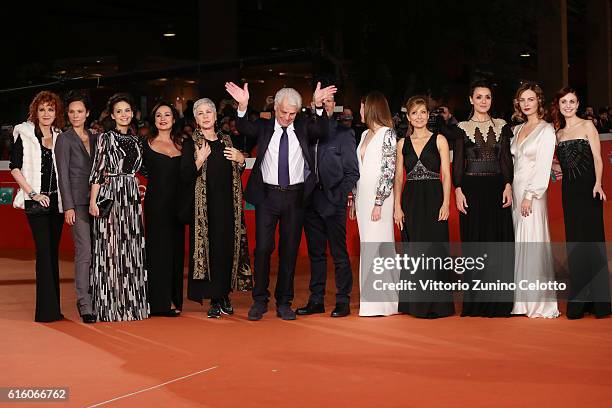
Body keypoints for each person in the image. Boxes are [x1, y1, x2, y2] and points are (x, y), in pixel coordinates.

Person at [225, 81, 335, 320]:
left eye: (292, 114)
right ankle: (260, 300)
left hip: (295, 197)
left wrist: (317, 105)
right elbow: (243, 127)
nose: (287, 118)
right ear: (275, 108)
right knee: (263, 249)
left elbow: (323, 130)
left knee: (289, 250)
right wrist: (242, 106)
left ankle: (284, 301)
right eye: (283, 112)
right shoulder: (264, 128)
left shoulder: (304, 126)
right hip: (267, 196)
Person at [180, 98, 252, 318]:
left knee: (226, 250)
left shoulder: (227, 140)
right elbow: (184, 176)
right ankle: (214, 298)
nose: (205, 116)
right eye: (200, 113)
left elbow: (235, 173)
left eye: (209, 111)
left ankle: (224, 295)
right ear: (196, 119)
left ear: (215, 115)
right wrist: (199, 160)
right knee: (210, 251)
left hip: (228, 205)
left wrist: (241, 160)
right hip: (204, 208)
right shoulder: (191, 143)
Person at [453, 80, 515, 317]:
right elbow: (458, 162)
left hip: (497, 188)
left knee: (498, 244)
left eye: (487, 97)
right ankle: (477, 303)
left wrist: (508, 184)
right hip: (472, 189)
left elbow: (505, 159)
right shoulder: (461, 128)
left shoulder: (502, 126)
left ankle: (499, 302)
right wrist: (458, 190)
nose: (483, 101)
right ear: (471, 100)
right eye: (479, 97)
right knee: (476, 245)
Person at [297, 92, 359, 318]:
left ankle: (343, 300)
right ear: (313, 104)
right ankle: (316, 300)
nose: (326, 105)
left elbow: (352, 172)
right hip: (309, 201)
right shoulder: (306, 131)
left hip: (333, 201)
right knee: (316, 254)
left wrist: (339, 197)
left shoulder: (344, 133)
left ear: (336, 105)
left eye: (329, 101)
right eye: (321, 101)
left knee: (339, 253)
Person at [551, 87, 611, 319]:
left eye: (572, 101)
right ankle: (580, 301)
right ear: (559, 105)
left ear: (578, 104)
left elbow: (598, 158)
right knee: (575, 245)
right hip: (569, 194)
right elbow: (562, 166)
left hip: (589, 191)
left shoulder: (587, 126)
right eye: (564, 101)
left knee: (593, 242)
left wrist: (598, 184)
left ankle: (600, 303)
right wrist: (548, 167)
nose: (568, 105)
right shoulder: (558, 134)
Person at [393, 96, 454, 318]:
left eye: (423, 112)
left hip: (434, 198)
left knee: (435, 249)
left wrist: (446, 202)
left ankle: (438, 305)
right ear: (408, 117)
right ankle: (415, 304)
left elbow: (446, 175)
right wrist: (397, 207)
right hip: (411, 201)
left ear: (428, 115)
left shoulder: (440, 140)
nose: (419, 117)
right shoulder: (402, 143)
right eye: (414, 113)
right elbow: (399, 177)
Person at [89, 93, 149, 322]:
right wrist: (94, 201)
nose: (124, 115)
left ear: (132, 114)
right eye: (119, 111)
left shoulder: (136, 140)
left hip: (131, 197)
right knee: (111, 249)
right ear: (112, 115)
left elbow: (140, 169)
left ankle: (131, 305)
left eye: (127, 111)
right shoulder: (105, 138)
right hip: (111, 193)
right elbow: (97, 170)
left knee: (131, 248)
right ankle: (110, 306)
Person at [10, 91, 65, 322]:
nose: (46, 114)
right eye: (42, 109)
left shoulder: (60, 136)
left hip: (57, 203)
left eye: (50, 109)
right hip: (36, 203)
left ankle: (55, 308)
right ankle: (45, 312)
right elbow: (15, 167)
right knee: (43, 254)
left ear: (56, 113)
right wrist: (33, 193)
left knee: (53, 254)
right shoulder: (24, 134)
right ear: (35, 111)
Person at [510, 82, 559, 318]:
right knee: (521, 242)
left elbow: (542, 167)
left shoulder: (546, 129)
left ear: (539, 101)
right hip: (517, 192)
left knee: (533, 240)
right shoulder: (517, 130)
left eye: (531, 99)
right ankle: (522, 301)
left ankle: (538, 302)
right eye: (522, 100)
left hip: (533, 195)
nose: (527, 104)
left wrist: (530, 195)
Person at [350, 91, 398, 317]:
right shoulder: (364, 135)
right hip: (363, 198)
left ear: (371, 108)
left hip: (380, 200)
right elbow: (358, 170)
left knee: (379, 245)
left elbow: (388, 172)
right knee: (368, 246)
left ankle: (384, 302)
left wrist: (379, 202)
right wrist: (354, 198)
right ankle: (370, 301)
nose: (360, 112)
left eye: (361, 107)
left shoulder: (388, 134)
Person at [54, 91, 97, 324]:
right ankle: (84, 302)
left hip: (98, 203)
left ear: (87, 113)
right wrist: (68, 206)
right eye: (71, 112)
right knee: (85, 252)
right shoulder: (64, 139)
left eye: (80, 111)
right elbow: (63, 175)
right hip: (77, 205)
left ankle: (100, 299)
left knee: (98, 252)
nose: (76, 115)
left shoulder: (96, 137)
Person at [141, 102, 185, 317]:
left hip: (178, 207)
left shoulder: (182, 145)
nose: (163, 118)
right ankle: (158, 302)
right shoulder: (145, 144)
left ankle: (174, 299)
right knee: (158, 253)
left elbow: (188, 176)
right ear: (154, 120)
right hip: (156, 206)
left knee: (176, 253)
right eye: (158, 115)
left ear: (174, 119)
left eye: (167, 114)